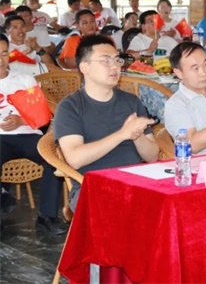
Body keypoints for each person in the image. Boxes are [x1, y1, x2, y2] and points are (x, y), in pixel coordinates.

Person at [54, 35, 159, 212]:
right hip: (92, 185)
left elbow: (152, 157)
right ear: (84, 67)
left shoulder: (131, 101)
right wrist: (122, 134)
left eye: (117, 60)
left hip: (135, 181)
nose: (114, 66)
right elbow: (75, 159)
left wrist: (137, 135)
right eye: (105, 61)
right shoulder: (70, 107)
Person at [0, 34, 66, 234]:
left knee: (52, 158)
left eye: (4, 53)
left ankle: (47, 217)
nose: (1, 59)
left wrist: (21, 120)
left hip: (27, 135)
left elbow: (42, 117)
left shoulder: (24, 80)